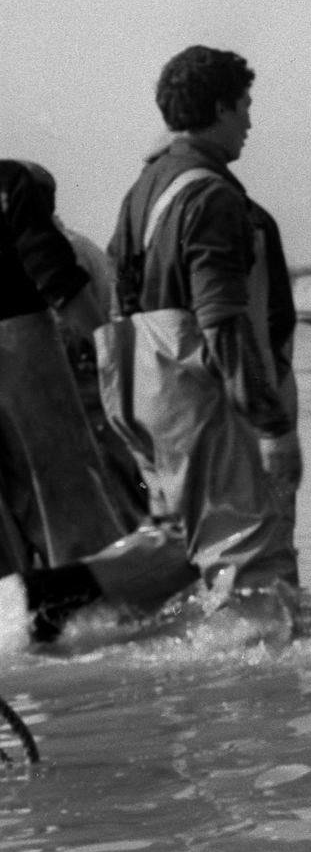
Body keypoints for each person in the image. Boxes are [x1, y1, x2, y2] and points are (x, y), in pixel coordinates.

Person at [102, 45, 300, 606]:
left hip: (152, 404)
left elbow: (122, 304)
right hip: (214, 404)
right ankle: (263, 690)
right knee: (254, 567)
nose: (250, 123)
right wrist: (272, 426)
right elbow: (222, 321)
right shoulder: (211, 195)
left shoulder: (143, 190)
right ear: (218, 108)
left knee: (190, 554)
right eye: (243, 107)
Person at [0, 160, 139, 593]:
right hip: (20, 348)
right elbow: (57, 277)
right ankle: (93, 603)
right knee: (65, 499)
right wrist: (111, 347)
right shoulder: (9, 183)